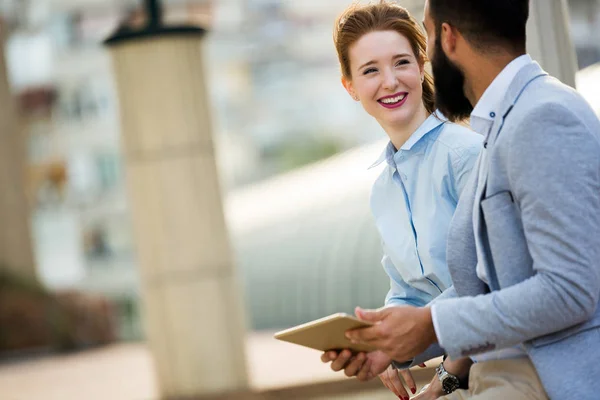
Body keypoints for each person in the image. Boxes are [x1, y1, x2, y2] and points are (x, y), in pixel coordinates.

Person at [344, 0, 600, 399]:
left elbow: (569, 291)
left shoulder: (542, 117)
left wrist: (432, 332)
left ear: (447, 38)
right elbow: (487, 283)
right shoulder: (507, 122)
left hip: (545, 376)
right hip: (504, 371)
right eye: (371, 70)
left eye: (423, 41)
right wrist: (388, 344)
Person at [320, 2, 482, 399]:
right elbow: (410, 295)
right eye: (370, 70)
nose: (390, 81)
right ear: (350, 86)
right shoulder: (383, 188)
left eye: (401, 63)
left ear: (422, 62)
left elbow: (491, 280)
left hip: (503, 362)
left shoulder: (466, 155)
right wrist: (382, 346)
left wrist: (442, 378)